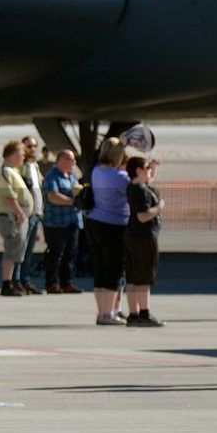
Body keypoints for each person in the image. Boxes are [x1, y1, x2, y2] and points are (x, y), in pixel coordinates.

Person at [87, 138, 131, 325]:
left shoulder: (97, 171)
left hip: (95, 222)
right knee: (114, 269)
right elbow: (137, 190)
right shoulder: (119, 177)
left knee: (101, 269)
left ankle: (102, 312)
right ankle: (108, 313)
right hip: (114, 224)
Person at [124, 156, 165, 326]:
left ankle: (133, 313)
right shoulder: (140, 190)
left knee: (133, 277)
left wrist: (153, 167)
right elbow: (142, 216)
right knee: (144, 277)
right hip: (144, 237)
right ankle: (144, 313)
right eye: (147, 168)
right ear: (139, 171)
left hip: (133, 236)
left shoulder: (133, 187)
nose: (150, 172)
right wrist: (159, 208)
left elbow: (149, 182)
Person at [0, 140, 32, 296]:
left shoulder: (13, 171)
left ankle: (12, 282)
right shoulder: (6, 171)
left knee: (16, 250)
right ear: (13, 154)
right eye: (21, 154)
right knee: (11, 249)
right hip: (11, 218)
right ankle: (7, 284)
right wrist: (20, 213)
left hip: (16, 217)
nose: (23, 157)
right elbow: (8, 196)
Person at [41, 149, 82, 293]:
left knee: (70, 254)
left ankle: (67, 283)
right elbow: (52, 196)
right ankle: (52, 283)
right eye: (71, 159)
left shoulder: (71, 176)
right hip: (56, 223)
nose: (74, 162)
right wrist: (72, 202)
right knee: (56, 254)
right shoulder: (52, 176)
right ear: (61, 160)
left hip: (72, 221)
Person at [16, 136, 44, 294]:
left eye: (34, 146)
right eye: (29, 146)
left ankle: (25, 280)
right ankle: (17, 280)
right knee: (21, 249)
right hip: (27, 213)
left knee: (29, 250)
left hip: (37, 213)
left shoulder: (35, 166)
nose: (32, 149)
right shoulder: (21, 167)